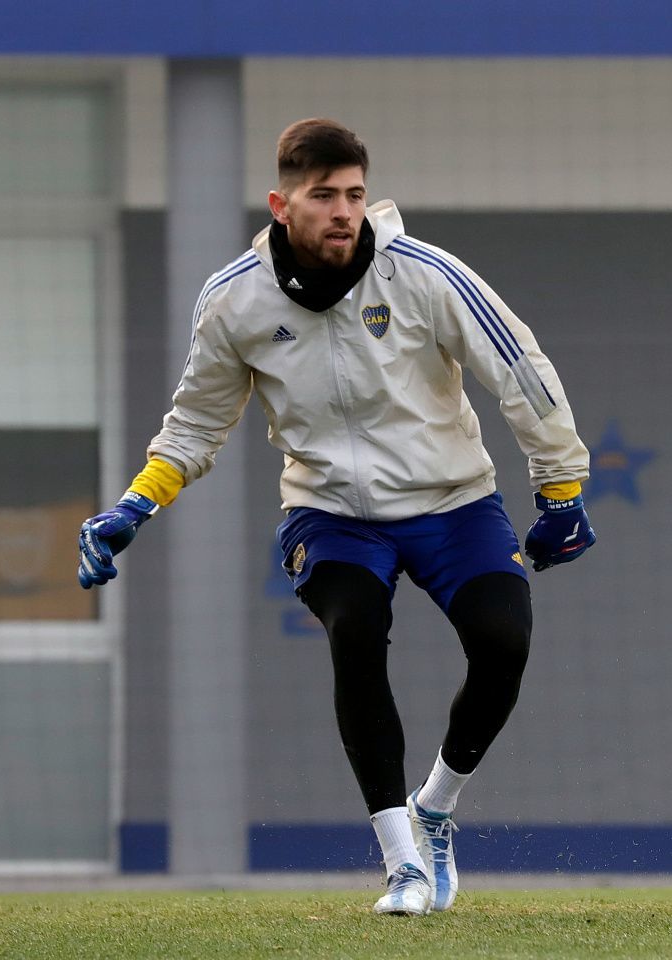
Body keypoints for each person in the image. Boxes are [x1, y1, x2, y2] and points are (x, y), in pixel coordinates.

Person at [76, 118, 596, 916]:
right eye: (324, 196)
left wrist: (560, 487)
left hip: (454, 503)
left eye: (355, 193)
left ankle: (434, 812)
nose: (345, 210)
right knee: (354, 630)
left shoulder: (424, 274)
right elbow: (196, 424)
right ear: (282, 205)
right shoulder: (234, 299)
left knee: (504, 641)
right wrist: (136, 503)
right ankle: (403, 867)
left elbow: (520, 369)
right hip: (331, 515)